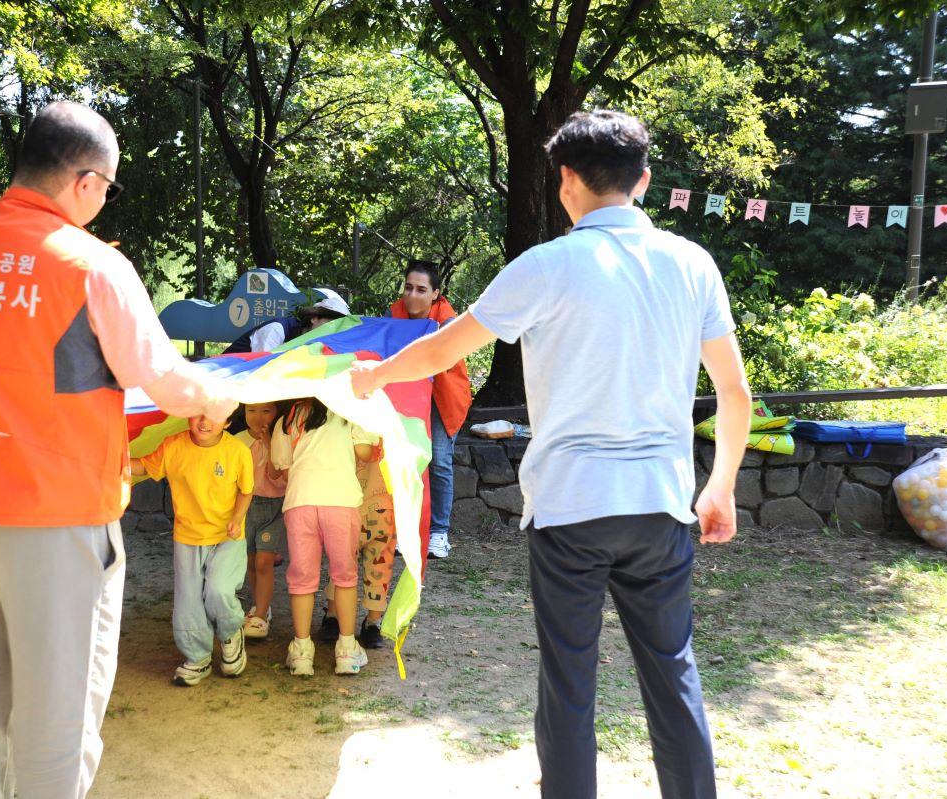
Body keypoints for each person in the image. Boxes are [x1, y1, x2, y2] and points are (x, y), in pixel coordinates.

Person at [351, 109, 752, 799]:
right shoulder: (694, 264)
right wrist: (719, 487)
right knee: (673, 676)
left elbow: (445, 348)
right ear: (644, 181)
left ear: (566, 181)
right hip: (661, 506)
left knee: (568, 686)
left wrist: (373, 375)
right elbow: (735, 391)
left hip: (571, 508)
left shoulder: (546, 266)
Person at [0, 101, 236, 798]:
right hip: (55, 517)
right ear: (87, 181)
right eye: (109, 188)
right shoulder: (90, 266)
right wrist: (216, 396)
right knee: (58, 716)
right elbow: (168, 384)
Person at [133, 413, 253, 685]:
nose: (204, 421)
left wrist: (236, 519)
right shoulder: (173, 445)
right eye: (198, 414)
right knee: (188, 601)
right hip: (187, 537)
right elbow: (142, 466)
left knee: (219, 590)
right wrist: (109, 459)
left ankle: (231, 632)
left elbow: (246, 491)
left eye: (213, 416)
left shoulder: (237, 450)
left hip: (227, 536)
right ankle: (197, 657)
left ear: (228, 421)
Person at [271, 397, 379, 676]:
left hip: (300, 502)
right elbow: (365, 452)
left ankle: (302, 652)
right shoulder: (350, 407)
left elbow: (282, 469)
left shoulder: (288, 416)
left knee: (302, 579)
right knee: (344, 576)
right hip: (341, 501)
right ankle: (346, 649)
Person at [389, 259, 472, 558]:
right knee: (406, 462)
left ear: (436, 293)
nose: (413, 295)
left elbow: (443, 355)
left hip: (442, 397)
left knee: (438, 461)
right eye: (408, 288)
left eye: (421, 290)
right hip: (407, 394)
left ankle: (439, 533)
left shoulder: (448, 319)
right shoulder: (394, 314)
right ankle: (406, 531)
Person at [321, 443, 395, 649]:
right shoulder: (341, 416)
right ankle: (334, 614)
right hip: (345, 502)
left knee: (380, 564)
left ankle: (373, 620)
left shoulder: (394, 420)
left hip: (383, 503)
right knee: (341, 562)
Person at [235, 401, 290, 638]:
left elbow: (278, 474)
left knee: (264, 561)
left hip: (274, 506)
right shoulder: (237, 441)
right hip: (246, 506)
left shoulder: (281, 439)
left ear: (277, 412)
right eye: (251, 410)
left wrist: (269, 443)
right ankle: (259, 607)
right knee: (250, 560)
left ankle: (260, 615)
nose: (258, 417)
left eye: (266, 410)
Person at [223, 287, 350, 354]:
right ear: (314, 318)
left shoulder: (310, 343)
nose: (332, 332)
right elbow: (261, 370)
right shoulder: (276, 330)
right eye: (331, 324)